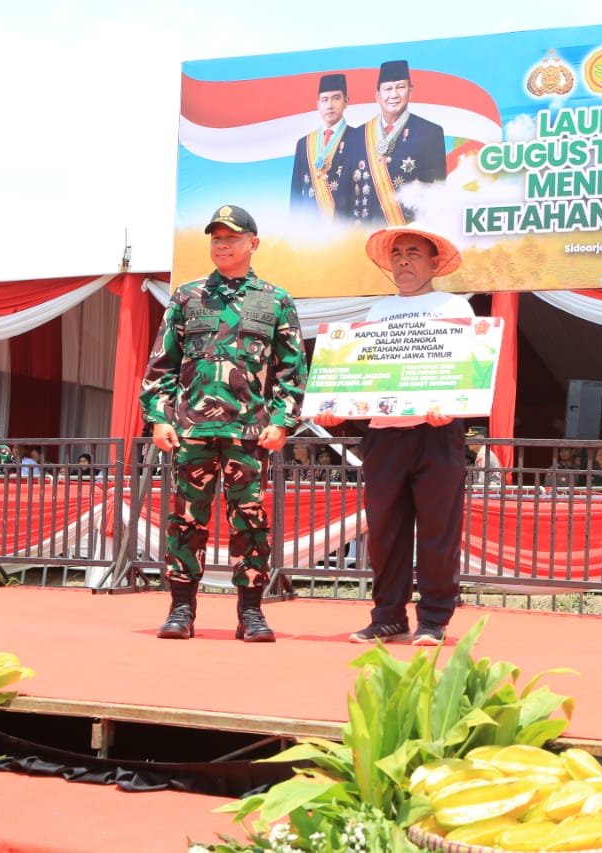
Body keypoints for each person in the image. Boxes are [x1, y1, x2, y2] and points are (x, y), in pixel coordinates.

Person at [141, 205, 306, 642]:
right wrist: (158, 418)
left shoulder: (275, 300)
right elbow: (162, 365)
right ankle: (181, 610)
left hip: (249, 434)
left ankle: (251, 614)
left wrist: (283, 420)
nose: (221, 244)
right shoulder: (187, 296)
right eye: (215, 237)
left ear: (253, 242)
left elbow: (292, 369)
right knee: (186, 523)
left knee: (249, 523)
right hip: (191, 431)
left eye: (231, 237)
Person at [314, 222, 470, 646]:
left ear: (434, 261)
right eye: (398, 253)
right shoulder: (376, 313)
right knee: (384, 531)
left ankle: (434, 619)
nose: (404, 260)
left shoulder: (455, 306)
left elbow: (465, 369)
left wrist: (452, 404)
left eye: (414, 252)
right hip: (384, 434)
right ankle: (388, 616)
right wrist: (334, 407)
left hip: (437, 432)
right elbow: (361, 374)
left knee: (438, 530)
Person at [351, 60, 447, 226]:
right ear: (377, 95)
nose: (394, 95)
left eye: (400, 87)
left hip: (409, 232)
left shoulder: (430, 132)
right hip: (365, 234)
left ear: (410, 91)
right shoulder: (357, 135)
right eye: (388, 89)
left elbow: (436, 192)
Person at [290, 73, 355, 223]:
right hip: (311, 231)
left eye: (336, 98)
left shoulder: (358, 137)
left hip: (346, 226)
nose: (330, 105)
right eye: (324, 100)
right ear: (318, 104)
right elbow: (296, 194)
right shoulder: (304, 144)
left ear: (346, 102)